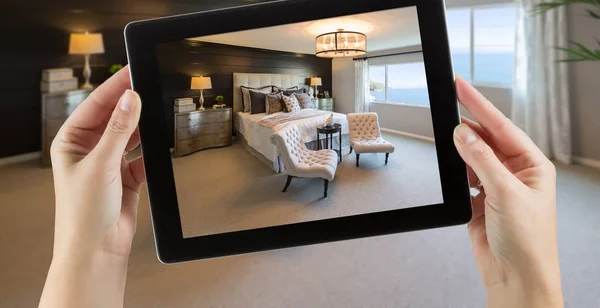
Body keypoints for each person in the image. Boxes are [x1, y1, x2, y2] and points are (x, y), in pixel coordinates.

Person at [38, 66, 564, 308]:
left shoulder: (317, 100)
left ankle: (328, 156)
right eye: (287, 96)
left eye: (296, 93)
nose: (297, 98)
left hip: (326, 130)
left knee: (328, 118)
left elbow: (320, 104)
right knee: (299, 128)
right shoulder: (252, 110)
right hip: (267, 130)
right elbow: (261, 116)